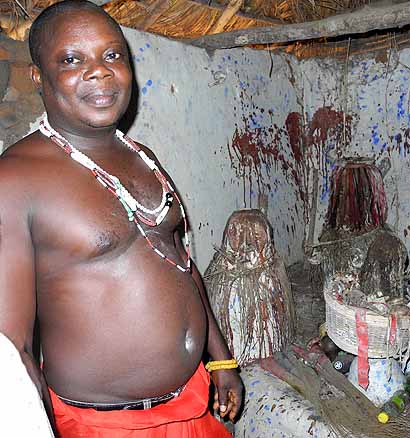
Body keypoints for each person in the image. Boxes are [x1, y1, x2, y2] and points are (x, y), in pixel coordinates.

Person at [0, 1, 243, 436]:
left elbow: (181, 263)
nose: (100, 71)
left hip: (192, 402)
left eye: (112, 55)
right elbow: (10, 349)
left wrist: (220, 359)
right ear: (39, 75)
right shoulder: (14, 177)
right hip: (103, 426)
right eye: (72, 60)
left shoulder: (142, 157)